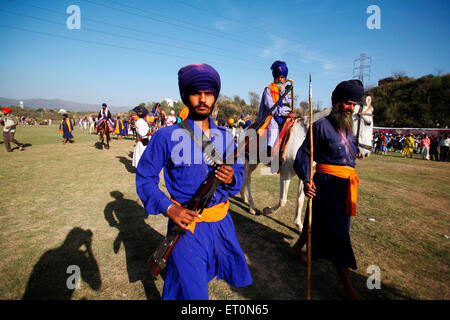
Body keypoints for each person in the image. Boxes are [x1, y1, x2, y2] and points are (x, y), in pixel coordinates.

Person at [136, 63, 252, 300]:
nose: (202, 99)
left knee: (188, 283)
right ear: (186, 96)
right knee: (194, 295)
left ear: (214, 97)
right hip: (188, 227)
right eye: (196, 93)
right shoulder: (165, 136)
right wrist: (170, 208)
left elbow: (238, 177)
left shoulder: (226, 137)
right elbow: (145, 179)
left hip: (222, 225)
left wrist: (231, 178)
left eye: (208, 93)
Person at [290, 79, 364, 300]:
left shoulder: (349, 129)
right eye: (348, 103)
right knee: (339, 235)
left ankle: (296, 248)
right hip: (326, 185)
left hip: (345, 187)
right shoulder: (320, 127)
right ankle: (348, 287)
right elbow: (302, 156)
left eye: (353, 104)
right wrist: (306, 179)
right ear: (336, 102)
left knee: (317, 224)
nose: (350, 108)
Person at [256, 60, 297, 157]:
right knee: (273, 125)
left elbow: (287, 106)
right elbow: (272, 108)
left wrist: (291, 113)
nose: (279, 79)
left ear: (285, 78)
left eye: (282, 77)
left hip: (284, 116)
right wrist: (286, 114)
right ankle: (271, 152)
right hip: (270, 117)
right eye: (277, 77)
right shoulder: (268, 90)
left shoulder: (286, 91)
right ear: (274, 78)